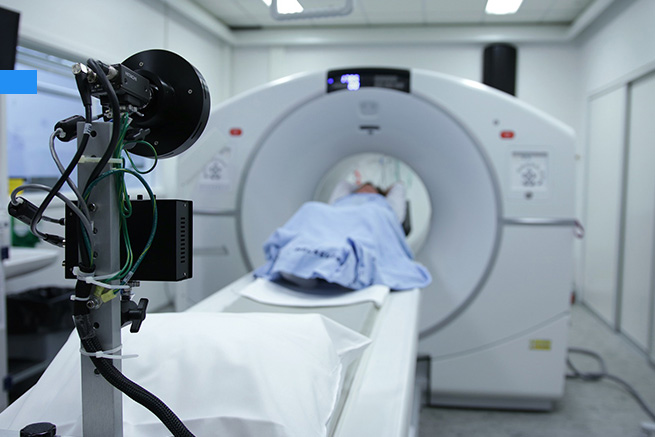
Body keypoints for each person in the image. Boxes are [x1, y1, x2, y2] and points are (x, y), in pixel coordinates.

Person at [254, 180, 431, 290]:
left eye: (370, 189)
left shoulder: (382, 204)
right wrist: (357, 187)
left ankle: (335, 268)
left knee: (365, 223)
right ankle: (299, 262)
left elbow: (398, 188)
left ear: (380, 193)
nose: (365, 190)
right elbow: (343, 184)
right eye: (362, 188)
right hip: (338, 215)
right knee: (311, 209)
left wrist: (386, 191)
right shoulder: (343, 199)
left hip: (369, 216)